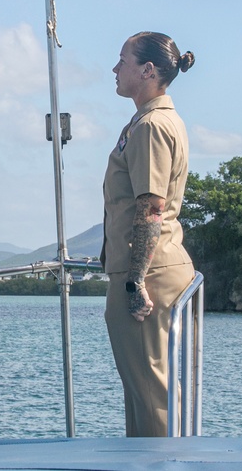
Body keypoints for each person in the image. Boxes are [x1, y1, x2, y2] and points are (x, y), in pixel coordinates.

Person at [101, 31, 196, 437]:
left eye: (122, 60)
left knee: (153, 397)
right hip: (149, 268)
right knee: (144, 394)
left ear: (148, 70)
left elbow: (152, 207)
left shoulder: (152, 126)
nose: (115, 69)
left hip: (148, 274)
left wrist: (135, 279)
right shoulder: (149, 121)